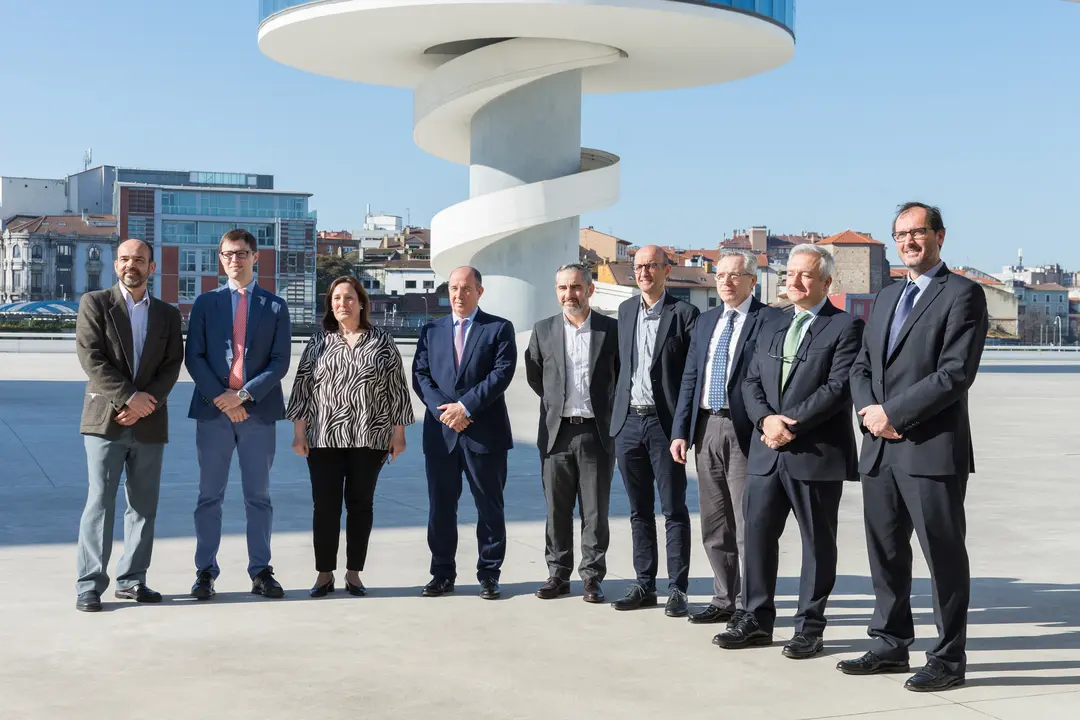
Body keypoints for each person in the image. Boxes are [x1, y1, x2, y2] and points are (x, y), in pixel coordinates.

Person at [840, 202, 988, 692]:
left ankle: (947, 658)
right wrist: (869, 413)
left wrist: (893, 414)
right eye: (900, 234)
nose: (908, 241)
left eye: (917, 232)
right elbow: (861, 366)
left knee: (942, 557)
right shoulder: (885, 298)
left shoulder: (963, 295)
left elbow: (954, 374)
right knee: (885, 553)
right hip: (880, 448)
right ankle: (889, 643)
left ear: (940, 236)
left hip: (929, 449)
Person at [714, 244, 863, 658]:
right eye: (789, 275)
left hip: (814, 455)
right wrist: (766, 421)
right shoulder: (772, 324)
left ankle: (809, 628)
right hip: (766, 453)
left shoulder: (845, 327)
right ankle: (757, 620)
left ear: (827, 283)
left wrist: (788, 425)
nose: (793, 282)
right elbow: (749, 382)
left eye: (805, 276)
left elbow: (837, 389)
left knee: (817, 544)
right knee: (758, 536)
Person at [669, 249, 782, 629]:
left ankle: (751, 605)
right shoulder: (706, 321)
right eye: (720, 276)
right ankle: (723, 597)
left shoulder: (769, 319)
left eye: (735, 276)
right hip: (706, 427)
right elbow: (691, 377)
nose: (727, 282)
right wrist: (681, 430)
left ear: (752, 280)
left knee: (747, 520)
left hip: (745, 429)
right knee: (715, 520)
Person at [73, 238, 183, 612]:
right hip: (105, 420)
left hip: (150, 421)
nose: (130, 264)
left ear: (152, 267)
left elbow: (171, 366)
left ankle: (132, 580)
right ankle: (89, 584)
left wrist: (144, 404)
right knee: (99, 503)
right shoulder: (95, 304)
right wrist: (128, 398)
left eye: (139, 259)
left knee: (143, 505)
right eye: (124, 259)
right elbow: (91, 357)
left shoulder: (168, 314)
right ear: (115, 265)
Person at [287, 276, 414, 597]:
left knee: (361, 506)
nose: (342, 304)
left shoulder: (382, 341)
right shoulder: (318, 342)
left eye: (348, 297)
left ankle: (354, 573)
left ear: (360, 302)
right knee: (325, 507)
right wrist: (298, 433)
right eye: (336, 299)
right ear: (330, 306)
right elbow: (302, 390)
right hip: (324, 438)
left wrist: (398, 435)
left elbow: (397, 391)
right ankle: (324, 573)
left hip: (370, 438)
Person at [185, 228, 292, 600]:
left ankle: (261, 570)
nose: (235, 259)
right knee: (208, 496)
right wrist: (221, 398)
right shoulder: (204, 304)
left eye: (242, 253)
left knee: (258, 496)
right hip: (213, 413)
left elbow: (280, 362)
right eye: (228, 254)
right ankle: (205, 572)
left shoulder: (276, 306)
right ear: (220, 258)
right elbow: (193, 357)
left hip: (257, 414)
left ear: (255, 256)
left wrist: (243, 396)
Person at [412, 266, 516, 600]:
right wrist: (447, 412)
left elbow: (501, 374)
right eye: (454, 288)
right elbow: (421, 376)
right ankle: (442, 573)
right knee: (441, 508)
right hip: (442, 435)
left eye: (466, 289)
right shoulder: (431, 330)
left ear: (480, 292)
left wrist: (465, 407)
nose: (459, 295)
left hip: (484, 434)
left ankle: (489, 574)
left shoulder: (498, 329)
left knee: (489, 507)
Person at [609, 245, 699, 616]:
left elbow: (691, 375)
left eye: (652, 266)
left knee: (674, 508)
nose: (644, 272)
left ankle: (677, 588)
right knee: (637, 510)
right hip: (629, 422)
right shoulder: (626, 310)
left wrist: (683, 428)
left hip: (664, 426)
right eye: (639, 266)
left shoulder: (684, 314)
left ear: (666, 270)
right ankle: (644, 583)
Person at [524, 263, 619, 603]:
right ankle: (558, 574)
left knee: (595, 511)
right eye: (563, 288)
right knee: (557, 509)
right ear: (557, 292)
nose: (570, 295)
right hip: (556, 434)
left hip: (596, 432)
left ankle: (592, 577)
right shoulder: (543, 330)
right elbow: (538, 377)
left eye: (576, 287)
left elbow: (620, 378)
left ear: (590, 290)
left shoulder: (611, 331)